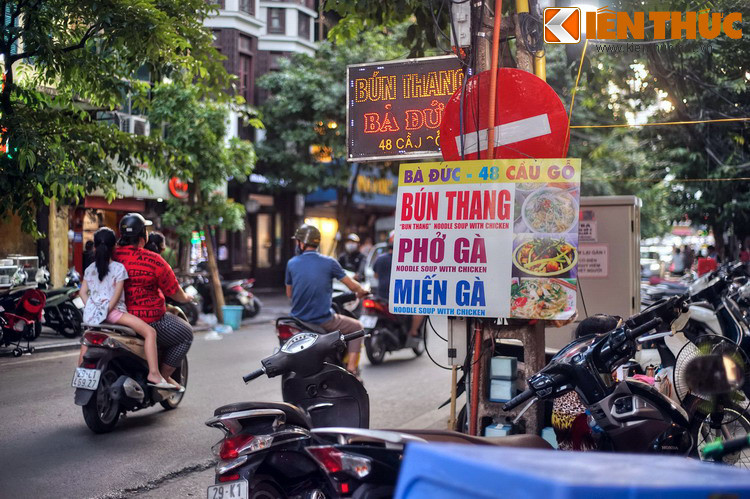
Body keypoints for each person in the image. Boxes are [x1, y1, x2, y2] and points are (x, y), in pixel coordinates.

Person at [78, 227, 173, 389]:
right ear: (114, 247)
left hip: (92, 316)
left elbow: (82, 293)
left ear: (95, 247)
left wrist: (93, 309)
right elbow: (116, 297)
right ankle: (154, 374)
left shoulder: (89, 269)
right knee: (150, 332)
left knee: (86, 341)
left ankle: (81, 377)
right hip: (114, 314)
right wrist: (105, 311)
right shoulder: (118, 268)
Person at [114, 213, 194, 390]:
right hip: (150, 320)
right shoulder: (154, 260)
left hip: (110, 317)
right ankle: (162, 376)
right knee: (186, 334)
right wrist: (187, 298)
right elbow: (175, 292)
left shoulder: (109, 255)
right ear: (143, 236)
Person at [286, 224, 368, 374]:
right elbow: (352, 285)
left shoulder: (291, 263)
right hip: (323, 320)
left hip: (297, 319)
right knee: (357, 327)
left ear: (302, 243)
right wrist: (362, 291)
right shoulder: (330, 262)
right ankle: (351, 369)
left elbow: (289, 294)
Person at [372, 230, 423, 348]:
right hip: (400, 297)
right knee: (420, 309)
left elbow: (376, 275)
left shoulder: (380, 259)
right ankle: (413, 331)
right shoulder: (406, 259)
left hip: (382, 297)